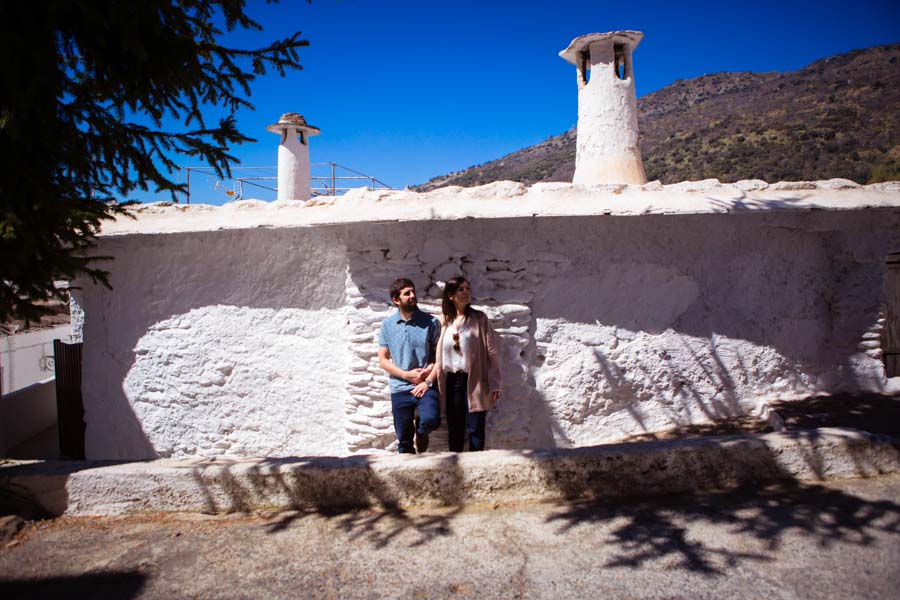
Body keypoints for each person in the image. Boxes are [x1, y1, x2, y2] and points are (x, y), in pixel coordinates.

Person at [425, 276, 502, 452]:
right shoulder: (444, 321)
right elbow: (437, 355)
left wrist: (496, 382)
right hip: (452, 381)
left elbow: (491, 352)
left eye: (468, 288)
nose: (466, 292)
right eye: (461, 289)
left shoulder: (479, 319)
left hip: (474, 379)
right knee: (455, 429)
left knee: (476, 429)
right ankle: (456, 469)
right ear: (450, 295)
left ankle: (478, 472)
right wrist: (428, 380)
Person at [378, 278, 441, 454]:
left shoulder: (431, 322)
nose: (413, 296)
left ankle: (421, 433)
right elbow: (382, 360)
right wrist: (406, 375)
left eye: (413, 292)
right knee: (404, 441)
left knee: (430, 420)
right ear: (396, 300)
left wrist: (427, 381)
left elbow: (440, 358)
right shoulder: (387, 325)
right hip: (399, 387)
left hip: (425, 385)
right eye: (407, 293)